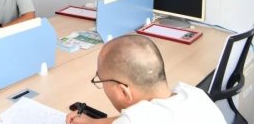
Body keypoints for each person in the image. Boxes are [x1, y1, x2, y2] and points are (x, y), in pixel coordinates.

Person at [66, 34, 225, 124]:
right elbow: (138, 117)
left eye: (101, 81)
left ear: (123, 92)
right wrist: (93, 123)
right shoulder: (195, 95)